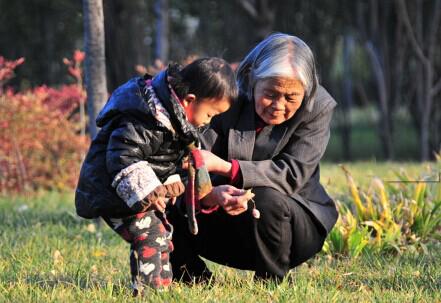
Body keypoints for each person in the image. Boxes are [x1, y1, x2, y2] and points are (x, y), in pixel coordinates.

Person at [169, 33, 338, 282]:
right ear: (251, 79)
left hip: (291, 228)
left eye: (291, 97)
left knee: (266, 196)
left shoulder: (318, 106)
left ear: (307, 90)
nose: (278, 105)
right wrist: (210, 195)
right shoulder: (224, 95)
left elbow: (292, 174)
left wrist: (228, 168)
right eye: (270, 93)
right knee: (159, 193)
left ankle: (270, 281)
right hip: (219, 218)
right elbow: (191, 160)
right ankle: (192, 277)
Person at [74, 57, 238, 294]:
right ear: (189, 100)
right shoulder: (146, 118)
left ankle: (162, 285)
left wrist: (173, 180)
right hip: (116, 192)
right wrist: (150, 191)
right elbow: (122, 156)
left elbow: (165, 159)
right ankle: (147, 290)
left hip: (136, 194)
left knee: (161, 234)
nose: (208, 122)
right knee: (149, 235)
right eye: (210, 114)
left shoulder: (177, 122)